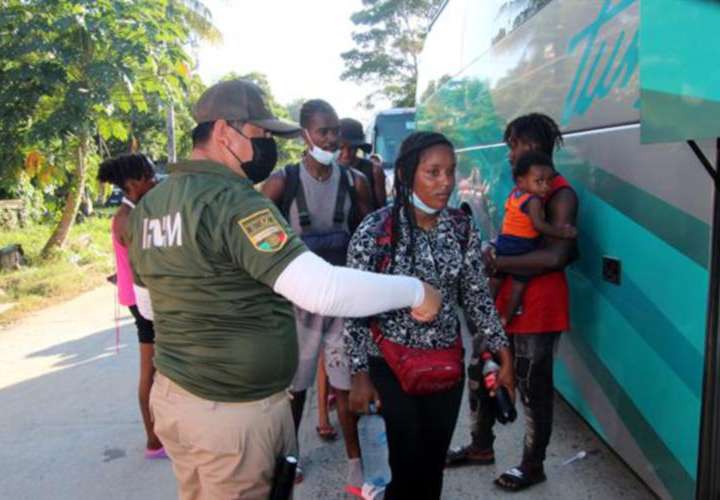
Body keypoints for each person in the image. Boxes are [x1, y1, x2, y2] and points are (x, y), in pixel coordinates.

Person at [126, 79, 443, 500]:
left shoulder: (151, 205)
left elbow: (149, 308)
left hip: (178, 401)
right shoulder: (234, 201)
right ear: (223, 131)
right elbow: (321, 289)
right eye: (260, 134)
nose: (268, 146)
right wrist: (416, 291)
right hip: (232, 415)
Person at [345, 131, 513, 500]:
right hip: (390, 366)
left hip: (445, 366)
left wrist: (504, 354)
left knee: (432, 466)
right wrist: (359, 374)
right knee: (404, 467)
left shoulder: (461, 226)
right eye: (433, 172)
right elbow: (353, 306)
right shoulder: (375, 231)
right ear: (407, 175)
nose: (445, 182)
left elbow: (476, 296)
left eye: (450, 171)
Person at [446, 113, 579, 493]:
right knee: (481, 368)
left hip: (539, 306)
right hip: (507, 297)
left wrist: (499, 262)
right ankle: (480, 446)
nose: (510, 153)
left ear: (536, 145)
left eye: (515, 145)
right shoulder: (523, 188)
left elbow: (556, 256)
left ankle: (533, 466)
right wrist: (493, 250)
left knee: (532, 386)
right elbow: (513, 236)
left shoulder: (561, 194)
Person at [262, 99, 372, 492]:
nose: (331, 139)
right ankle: (289, 458)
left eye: (335, 131)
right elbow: (257, 241)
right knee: (295, 389)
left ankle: (356, 463)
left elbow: (369, 235)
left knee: (344, 385)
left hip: (342, 300)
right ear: (305, 134)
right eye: (323, 131)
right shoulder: (282, 182)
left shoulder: (355, 182)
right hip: (298, 303)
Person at [97, 154, 163, 459]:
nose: (155, 180)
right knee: (149, 369)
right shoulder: (126, 219)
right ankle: (153, 440)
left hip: (141, 295)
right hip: (142, 301)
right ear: (132, 183)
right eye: (149, 176)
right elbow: (146, 263)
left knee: (158, 367)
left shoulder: (136, 212)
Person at [489, 151, 577, 325]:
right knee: (519, 286)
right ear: (521, 181)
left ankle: (485, 315)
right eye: (539, 181)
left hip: (505, 242)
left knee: (495, 281)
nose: (545, 187)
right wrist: (562, 233)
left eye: (549, 181)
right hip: (521, 246)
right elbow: (539, 225)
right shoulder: (533, 200)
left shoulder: (514, 195)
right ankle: (506, 318)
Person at [338, 117, 387, 209]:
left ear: (359, 147)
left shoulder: (374, 170)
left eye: (352, 148)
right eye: (341, 148)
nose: (346, 154)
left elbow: (382, 209)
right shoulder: (326, 170)